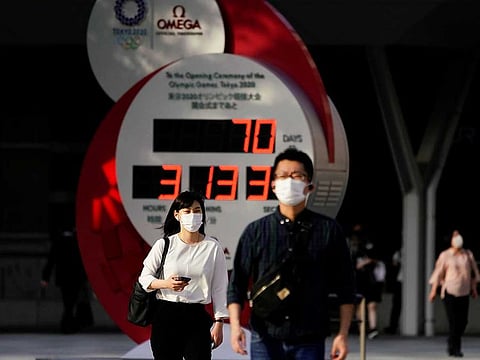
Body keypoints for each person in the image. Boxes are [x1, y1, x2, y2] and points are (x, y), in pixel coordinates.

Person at [227, 147, 356, 360]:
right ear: (273, 184)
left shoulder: (328, 230)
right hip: (265, 336)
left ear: (309, 186)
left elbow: (346, 285)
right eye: (283, 175)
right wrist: (234, 327)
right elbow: (237, 284)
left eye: (297, 176)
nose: (290, 181)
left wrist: (342, 334)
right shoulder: (256, 231)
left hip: (310, 337)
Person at [138, 190, 229, 360]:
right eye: (187, 211)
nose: (192, 215)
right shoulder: (164, 244)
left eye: (197, 210)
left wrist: (219, 322)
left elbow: (220, 286)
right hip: (166, 314)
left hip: (196, 316)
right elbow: (144, 278)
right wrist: (166, 284)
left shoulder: (212, 246)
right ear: (177, 215)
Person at [428, 230, 480, 358]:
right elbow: (439, 273)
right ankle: (455, 348)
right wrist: (434, 290)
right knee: (454, 321)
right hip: (449, 291)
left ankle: (451, 340)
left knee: (463, 322)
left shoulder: (467, 255)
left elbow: (473, 273)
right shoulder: (445, 255)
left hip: (464, 291)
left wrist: (474, 289)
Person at [40, 225, 94, 334]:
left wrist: (45, 277)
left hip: (64, 278)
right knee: (71, 302)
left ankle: (68, 325)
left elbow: (51, 261)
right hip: (76, 277)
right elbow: (83, 262)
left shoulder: (59, 242)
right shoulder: (77, 242)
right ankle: (69, 325)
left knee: (68, 302)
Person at [353, 235, 385, 340]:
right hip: (360, 283)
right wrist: (364, 263)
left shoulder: (375, 257)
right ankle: (361, 329)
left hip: (372, 284)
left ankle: (373, 328)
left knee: (372, 305)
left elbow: (380, 267)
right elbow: (355, 267)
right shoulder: (357, 254)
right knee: (359, 306)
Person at [384, 246, 402, 334]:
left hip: (403, 281)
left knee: (397, 305)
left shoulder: (400, 252)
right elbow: (394, 264)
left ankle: (393, 326)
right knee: (396, 304)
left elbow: (394, 263)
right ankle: (393, 326)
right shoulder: (400, 252)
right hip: (399, 281)